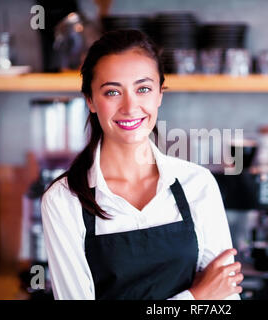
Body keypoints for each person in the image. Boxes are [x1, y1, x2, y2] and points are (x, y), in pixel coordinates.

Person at [41, 29, 243, 300]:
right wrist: (196, 297)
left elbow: (224, 300)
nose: (130, 106)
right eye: (112, 92)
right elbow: (211, 297)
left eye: (143, 89)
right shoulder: (65, 200)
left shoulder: (197, 184)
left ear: (160, 94)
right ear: (90, 100)